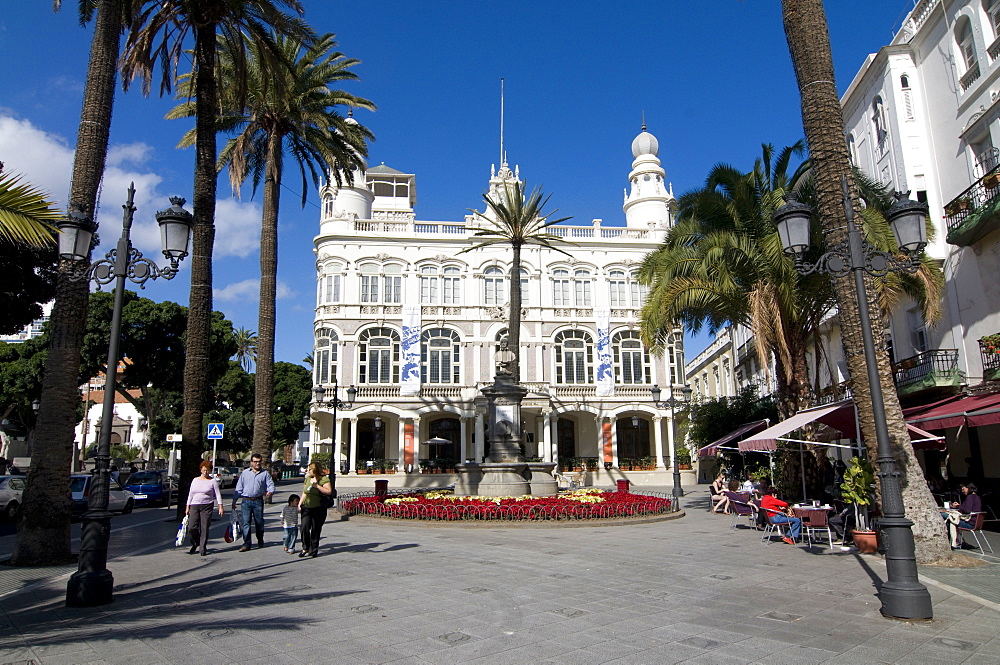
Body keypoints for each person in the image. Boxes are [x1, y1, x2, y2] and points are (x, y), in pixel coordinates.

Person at [234, 453, 275, 552]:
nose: (257, 463)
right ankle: (247, 544)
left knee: (259, 522)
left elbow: (270, 484)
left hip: (258, 501)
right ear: (251, 462)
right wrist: (234, 501)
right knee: (246, 523)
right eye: (255, 462)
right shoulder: (245, 473)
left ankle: (260, 539)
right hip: (246, 501)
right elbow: (239, 488)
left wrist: (270, 491)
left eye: (259, 462)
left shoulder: (264, 474)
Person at [185, 460, 224, 556]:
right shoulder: (195, 480)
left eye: (208, 470)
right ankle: (196, 542)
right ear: (201, 470)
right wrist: (187, 507)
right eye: (204, 470)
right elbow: (190, 494)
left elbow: (217, 494)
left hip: (207, 505)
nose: (206, 472)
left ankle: (202, 547)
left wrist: (220, 507)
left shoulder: (212, 481)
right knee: (192, 527)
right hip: (195, 505)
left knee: (204, 527)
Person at [299, 461, 334, 558]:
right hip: (307, 507)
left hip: (319, 508)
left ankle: (313, 549)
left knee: (315, 529)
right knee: (304, 528)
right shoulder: (307, 479)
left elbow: (329, 491)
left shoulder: (324, 479)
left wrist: (317, 486)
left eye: (310, 469)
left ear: (315, 470)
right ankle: (305, 547)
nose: (308, 471)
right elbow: (305, 492)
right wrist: (300, 503)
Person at [944, 483, 982, 549]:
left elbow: (967, 510)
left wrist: (957, 506)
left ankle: (954, 541)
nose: (962, 491)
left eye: (963, 489)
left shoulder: (970, 497)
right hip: (976, 523)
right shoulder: (976, 497)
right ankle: (954, 540)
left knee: (948, 519)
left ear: (968, 488)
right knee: (951, 519)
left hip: (970, 523)